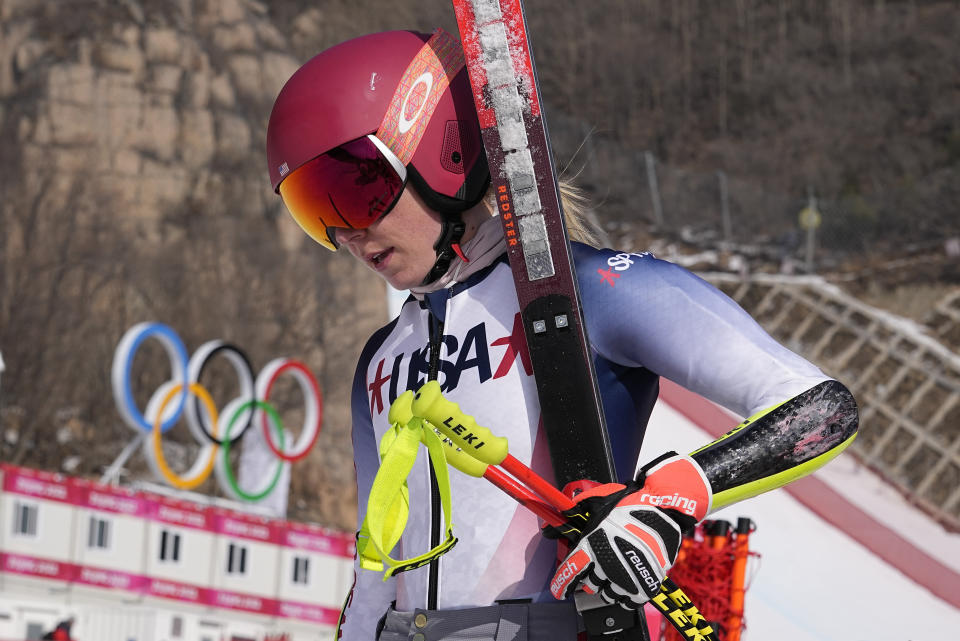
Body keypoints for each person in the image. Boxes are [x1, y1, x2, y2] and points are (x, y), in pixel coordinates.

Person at [265, 29, 858, 641]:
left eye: (355, 190)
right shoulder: (379, 361)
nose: (346, 235)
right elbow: (375, 567)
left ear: (443, 153)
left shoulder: (592, 290)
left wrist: (662, 505)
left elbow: (818, 407)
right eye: (314, 209)